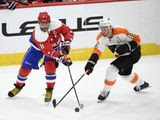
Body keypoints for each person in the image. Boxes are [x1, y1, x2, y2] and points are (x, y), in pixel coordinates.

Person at [8, 12, 74, 103]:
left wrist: (67, 43)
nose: (44, 25)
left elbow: (69, 32)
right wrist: (61, 57)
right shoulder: (39, 34)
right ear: (38, 22)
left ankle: (49, 90)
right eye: (41, 23)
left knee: (50, 69)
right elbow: (48, 51)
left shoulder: (57, 24)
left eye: (46, 22)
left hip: (54, 47)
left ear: (49, 22)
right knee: (24, 69)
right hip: (36, 49)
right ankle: (18, 86)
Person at [84, 18, 150, 102]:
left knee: (111, 70)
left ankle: (105, 91)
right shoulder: (101, 38)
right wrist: (90, 64)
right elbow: (97, 51)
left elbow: (137, 39)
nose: (103, 31)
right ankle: (142, 84)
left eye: (105, 28)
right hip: (123, 56)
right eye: (101, 29)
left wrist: (127, 47)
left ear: (110, 27)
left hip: (134, 53)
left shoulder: (121, 31)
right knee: (125, 75)